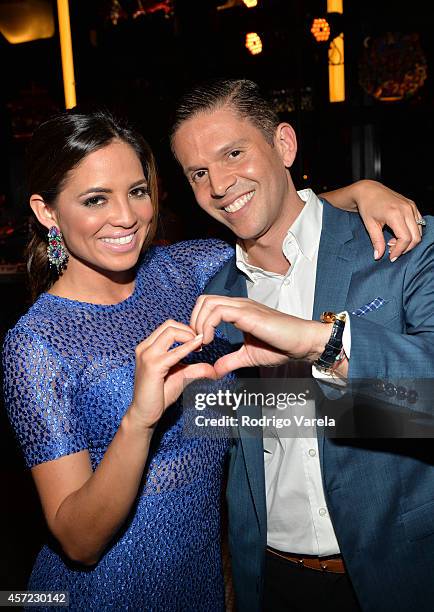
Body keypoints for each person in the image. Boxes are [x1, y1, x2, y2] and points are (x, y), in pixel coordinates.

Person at [2, 107, 422, 611]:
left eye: (137, 191)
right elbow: (78, 541)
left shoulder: (184, 270)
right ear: (47, 212)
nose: (126, 216)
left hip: (204, 581)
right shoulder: (35, 343)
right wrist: (139, 420)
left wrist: (361, 192)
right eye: (95, 199)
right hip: (101, 593)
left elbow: (269, 214)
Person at [170, 79, 434, 612]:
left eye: (234, 153)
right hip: (275, 578)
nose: (219, 184)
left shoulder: (399, 243)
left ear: (284, 145)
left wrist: (322, 342)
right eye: (199, 173)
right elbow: (232, 444)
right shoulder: (214, 297)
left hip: (398, 573)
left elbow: (427, 407)